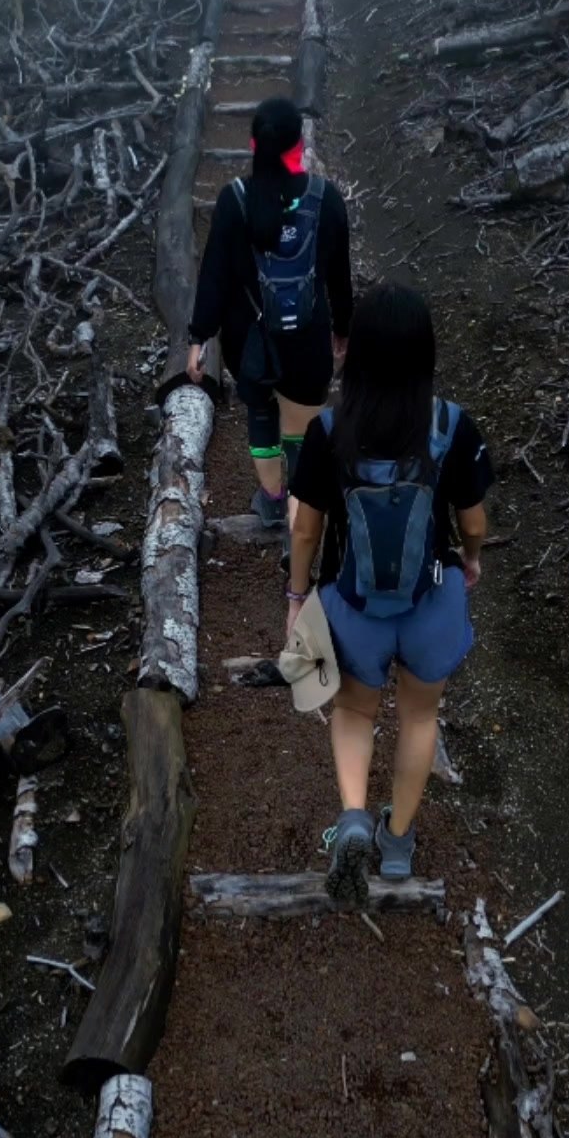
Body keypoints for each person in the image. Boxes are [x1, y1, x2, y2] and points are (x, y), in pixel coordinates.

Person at [286, 283, 492, 905]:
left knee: (354, 711)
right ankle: (397, 842)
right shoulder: (450, 426)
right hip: (428, 603)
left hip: (356, 608)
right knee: (420, 716)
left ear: (357, 353)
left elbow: (305, 530)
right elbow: (475, 521)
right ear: (425, 354)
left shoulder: (330, 429)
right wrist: (472, 559)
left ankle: (353, 817)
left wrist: (297, 598)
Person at [186, 98, 352, 532]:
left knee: (260, 415)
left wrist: (199, 337)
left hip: (249, 341)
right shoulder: (325, 199)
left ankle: (273, 499)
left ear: (252, 145)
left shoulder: (234, 202)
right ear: (299, 147)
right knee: (301, 427)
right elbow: (339, 277)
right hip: (308, 337)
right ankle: (302, 501)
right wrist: (343, 330)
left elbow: (214, 276)